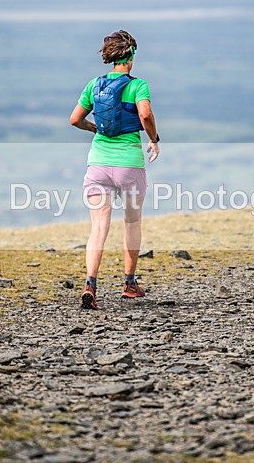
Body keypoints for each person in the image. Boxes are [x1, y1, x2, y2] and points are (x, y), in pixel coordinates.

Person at [69, 30, 160, 309]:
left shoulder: (94, 85)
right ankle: (130, 284)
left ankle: (90, 285)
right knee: (131, 222)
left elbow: (75, 120)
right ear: (131, 56)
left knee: (98, 227)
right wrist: (154, 140)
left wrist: (92, 127)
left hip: (97, 164)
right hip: (128, 165)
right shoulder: (138, 85)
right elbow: (144, 114)